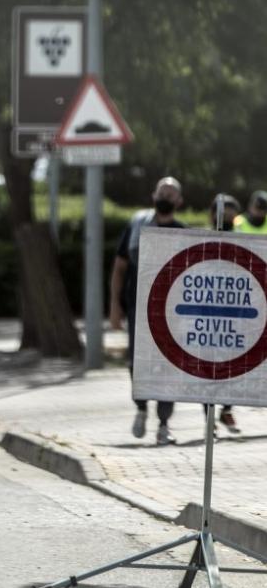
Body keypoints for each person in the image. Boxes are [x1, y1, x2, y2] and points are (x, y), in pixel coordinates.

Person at [110, 176, 185, 445]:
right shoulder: (137, 226)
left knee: (167, 365)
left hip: (171, 313)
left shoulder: (183, 232)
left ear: (179, 201)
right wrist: (114, 306)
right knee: (137, 363)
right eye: (162, 191)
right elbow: (119, 268)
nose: (165, 196)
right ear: (153, 196)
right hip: (137, 308)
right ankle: (141, 408)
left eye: (171, 193)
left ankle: (164, 424)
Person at [205, 194, 242, 434]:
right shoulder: (202, 239)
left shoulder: (243, 240)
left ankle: (226, 409)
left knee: (231, 367)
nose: (226, 218)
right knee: (205, 369)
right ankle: (208, 420)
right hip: (206, 316)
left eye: (231, 214)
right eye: (223, 213)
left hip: (236, 315)